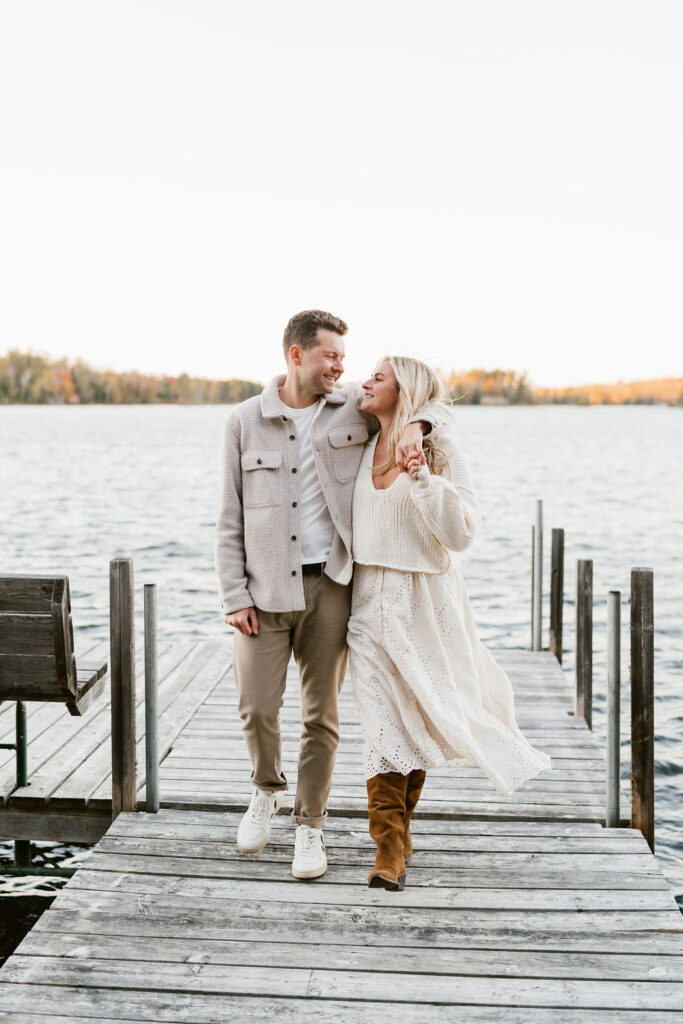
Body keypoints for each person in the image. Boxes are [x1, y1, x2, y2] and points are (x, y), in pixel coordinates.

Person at [214, 311, 437, 880]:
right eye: (330, 357)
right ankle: (266, 789)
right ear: (296, 355)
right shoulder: (244, 421)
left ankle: (309, 827)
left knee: (323, 716)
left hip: (332, 585)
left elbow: (417, 397)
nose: (342, 367)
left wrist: (422, 426)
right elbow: (228, 518)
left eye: (344, 356)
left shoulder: (353, 411)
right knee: (257, 708)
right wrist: (233, 594)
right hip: (263, 592)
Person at [347, 355, 552, 891]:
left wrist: (423, 478)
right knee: (380, 727)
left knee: (421, 714)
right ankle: (388, 848)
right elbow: (309, 397)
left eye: (378, 377)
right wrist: (417, 419)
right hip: (367, 600)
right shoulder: (361, 439)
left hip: (426, 600)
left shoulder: (442, 451)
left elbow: (460, 536)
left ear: (405, 390)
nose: (364, 382)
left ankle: (401, 834)